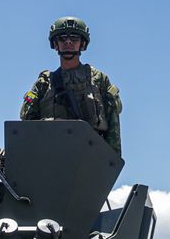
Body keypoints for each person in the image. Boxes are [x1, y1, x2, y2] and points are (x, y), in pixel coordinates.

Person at [20, 17, 122, 156]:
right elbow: (27, 126)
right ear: (55, 44)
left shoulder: (99, 80)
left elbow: (113, 128)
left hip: (91, 157)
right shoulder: (44, 83)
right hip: (51, 156)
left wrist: (111, 164)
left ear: (82, 44)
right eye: (62, 39)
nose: (68, 42)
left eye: (74, 38)